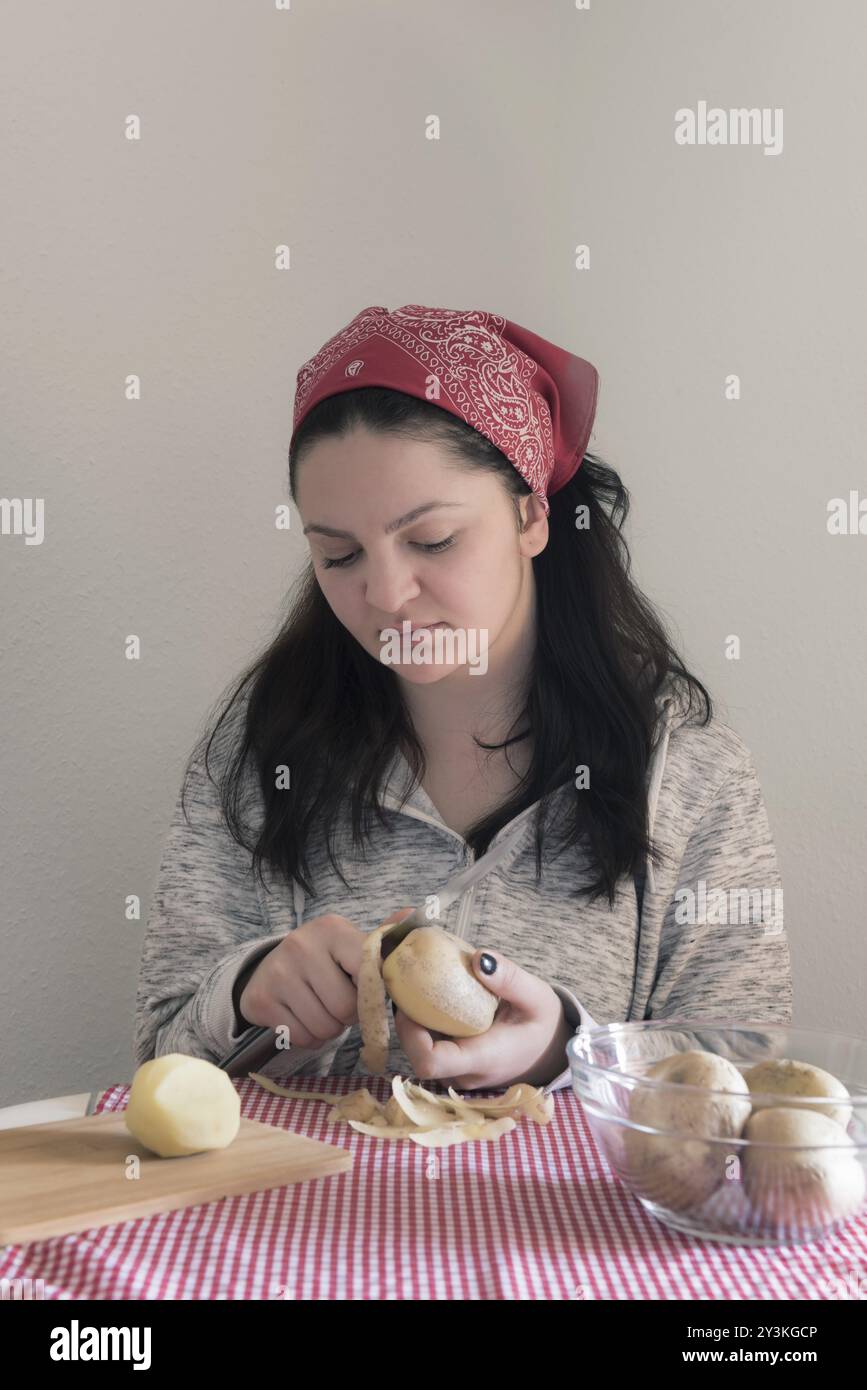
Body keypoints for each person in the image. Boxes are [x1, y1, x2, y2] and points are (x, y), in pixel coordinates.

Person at [133, 305, 793, 1094]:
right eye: (337, 555)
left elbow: (749, 1072)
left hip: (556, 1223)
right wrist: (246, 997)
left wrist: (566, 1049)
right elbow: (160, 1065)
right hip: (297, 1218)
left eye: (432, 540)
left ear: (531, 516)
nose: (384, 594)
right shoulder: (254, 756)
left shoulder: (687, 773)